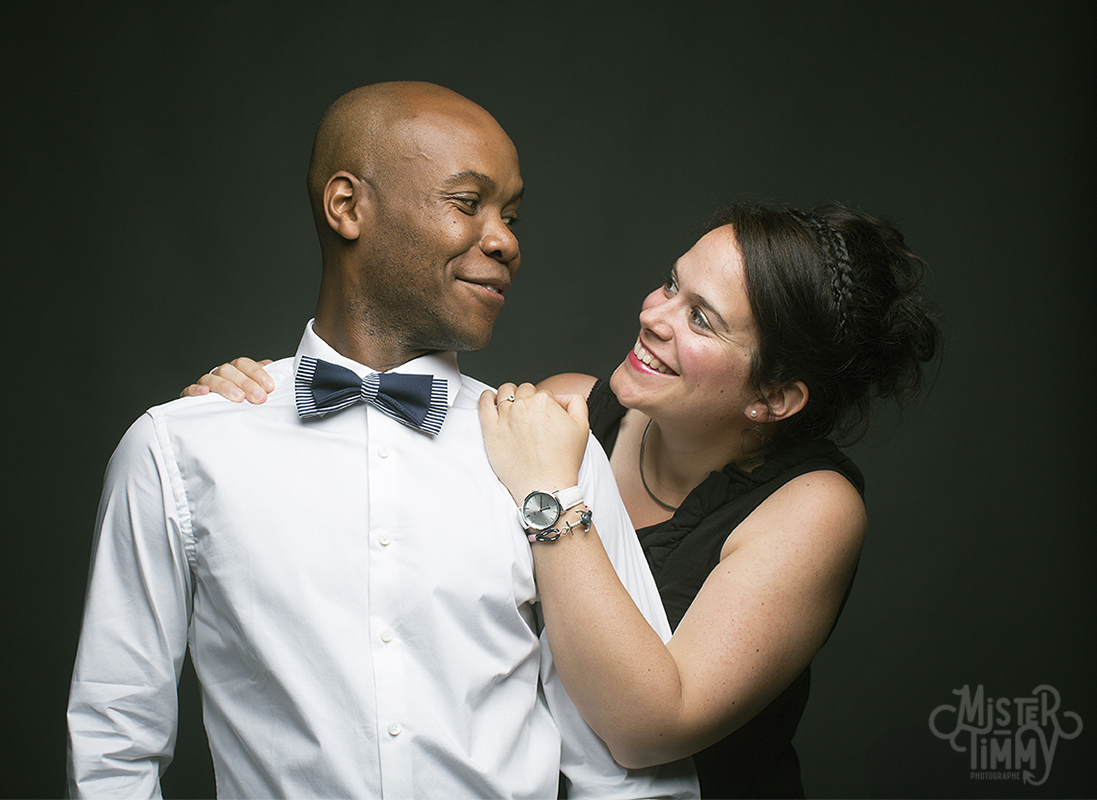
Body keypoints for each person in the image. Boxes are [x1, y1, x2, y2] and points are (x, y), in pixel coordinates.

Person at [68, 81, 698, 799]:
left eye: (512, 214)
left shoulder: (553, 453)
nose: (506, 240)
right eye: (468, 203)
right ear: (348, 206)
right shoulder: (180, 450)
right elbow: (113, 746)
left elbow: (628, 771)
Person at [193, 201, 940, 797]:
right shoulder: (566, 408)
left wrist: (551, 496)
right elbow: (390, 516)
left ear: (775, 397)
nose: (655, 313)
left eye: (701, 318)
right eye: (673, 283)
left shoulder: (815, 508)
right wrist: (253, 414)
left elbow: (651, 728)